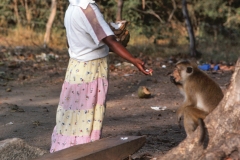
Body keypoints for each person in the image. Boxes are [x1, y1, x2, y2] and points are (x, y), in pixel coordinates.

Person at [50, 0, 152, 153]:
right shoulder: (88, 10)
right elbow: (110, 41)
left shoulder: (72, 8)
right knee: (87, 115)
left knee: (71, 116)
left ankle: (62, 151)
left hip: (75, 69)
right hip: (91, 70)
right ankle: (83, 153)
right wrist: (134, 60)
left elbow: (71, 43)